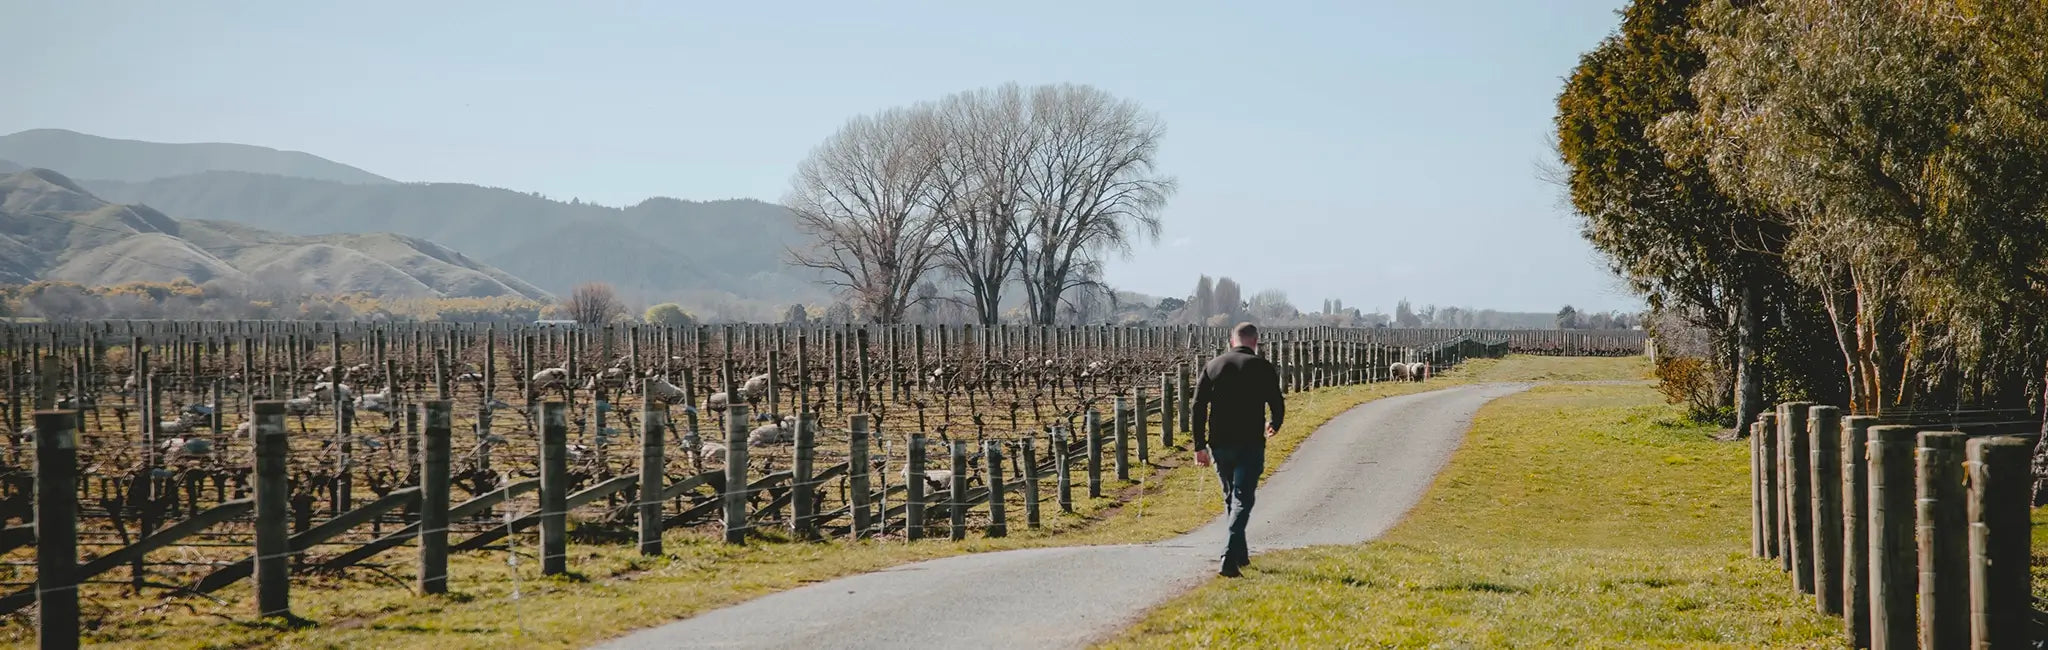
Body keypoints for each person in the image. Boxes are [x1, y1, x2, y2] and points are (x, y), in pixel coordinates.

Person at [1191, 321, 1285, 577]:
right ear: (1255, 342)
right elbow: (1276, 401)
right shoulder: (1262, 367)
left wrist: (1199, 445)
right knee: (1243, 498)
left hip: (1220, 443)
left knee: (1230, 496)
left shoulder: (1213, 365)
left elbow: (1198, 407)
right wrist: (1275, 423)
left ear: (1232, 341)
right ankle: (1229, 557)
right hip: (1250, 443)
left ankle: (1240, 554)